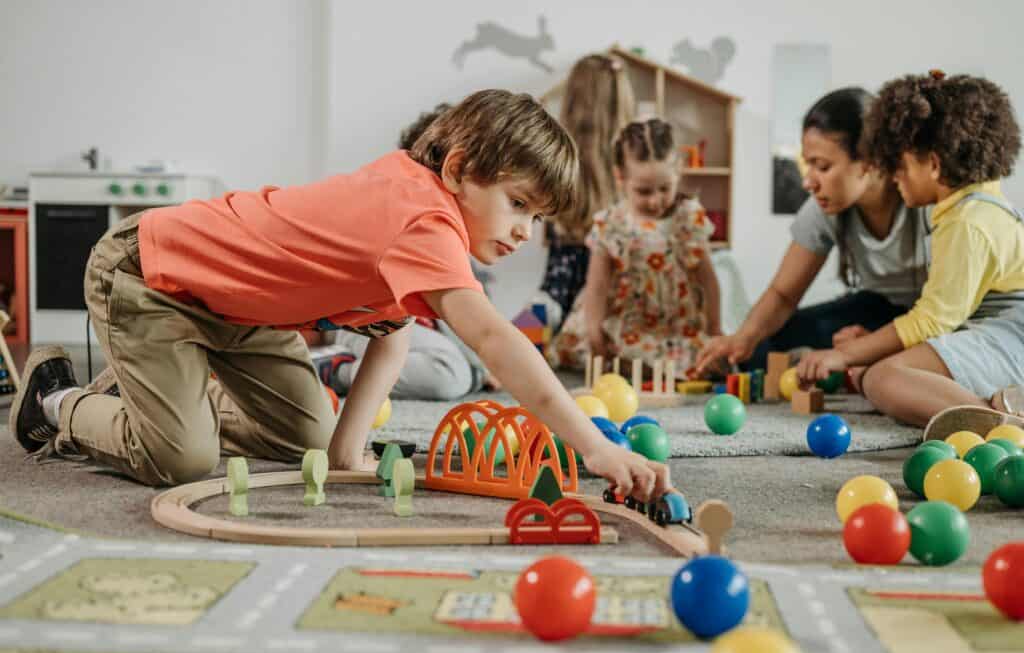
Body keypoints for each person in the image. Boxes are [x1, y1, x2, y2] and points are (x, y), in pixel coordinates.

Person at [8, 89, 670, 502]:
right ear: (460, 170)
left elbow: (393, 332)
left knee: (307, 445)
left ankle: (166, 396)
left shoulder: (421, 218)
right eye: (518, 204)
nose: (525, 231)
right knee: (181, 461)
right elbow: (496, 340)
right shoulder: (422, 216)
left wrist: (346, 455)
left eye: (539, 219)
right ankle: (57, 400)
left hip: (243, 315)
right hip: (151, 276)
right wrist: (597, 448)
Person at [796, 71, 1024, 429]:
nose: (894, 177)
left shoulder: (968, 221)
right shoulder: (974, 205)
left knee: (881, 378)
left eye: (899, 166)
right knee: (880, 368)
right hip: (992, 334)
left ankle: (1003, 425)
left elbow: (932, 320)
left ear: (933, 164)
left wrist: (843, 355)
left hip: (1011, 339)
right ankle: (994, 407)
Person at [695, 87, 930, 377]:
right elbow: (783, 294)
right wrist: (741, 340)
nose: (808, 182)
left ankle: (872, 362)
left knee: (906, 357)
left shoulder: (923, 200)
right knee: (765, 345)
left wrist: (867, 345)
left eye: (822, 166)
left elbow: (944, 315)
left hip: (936, 317)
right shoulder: (823, 208)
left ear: (871, 161)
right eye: (808, 165)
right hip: (877, 307)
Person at [311, 102, 500, 401]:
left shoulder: (463, 244)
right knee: (451, 373)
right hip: (367, 326)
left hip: (418, 337)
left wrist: (486, 364)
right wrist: (481, 367)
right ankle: (332, 370)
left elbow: (474, 321)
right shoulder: (407, 227)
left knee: (456, 366)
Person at [549, 119, 720, 378]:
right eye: (643, 191)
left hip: (676, 325)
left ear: (678, 171)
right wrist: (594, 333)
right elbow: (597, 286)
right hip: (628, 322)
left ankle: (649, 367)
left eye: (665, 189)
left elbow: (708, 279)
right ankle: (632, 365)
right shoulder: (611, 223)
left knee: (705, 360)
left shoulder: (688, 217)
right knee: (594, 351)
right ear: (620, 177)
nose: (655, 200)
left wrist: (714, 329)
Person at [529, 53, 635, 331]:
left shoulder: (558, 165)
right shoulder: (636, 164)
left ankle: (500, 360)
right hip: (619, 311)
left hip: (567, 301)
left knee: (542, 311)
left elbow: (554, 291)